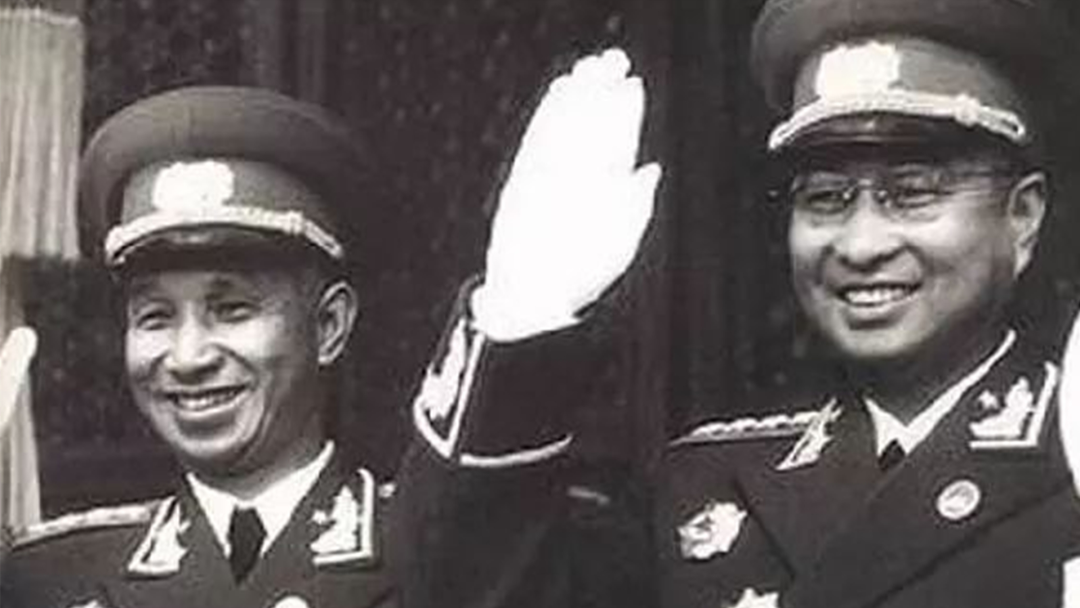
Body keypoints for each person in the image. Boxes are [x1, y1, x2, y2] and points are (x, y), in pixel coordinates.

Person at [400, 1, 1080, 607]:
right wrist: (521, 325)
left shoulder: (1068, 453)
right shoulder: (703, 483)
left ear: (1021, 217)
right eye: (826, 199)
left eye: (913, 193)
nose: (861, 243)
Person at [1, 86, 400, 608]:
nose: (188, 358)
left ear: (329, 325)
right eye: (155, 317)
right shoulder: (43, 580)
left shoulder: (433, 560)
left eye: (232, 309)